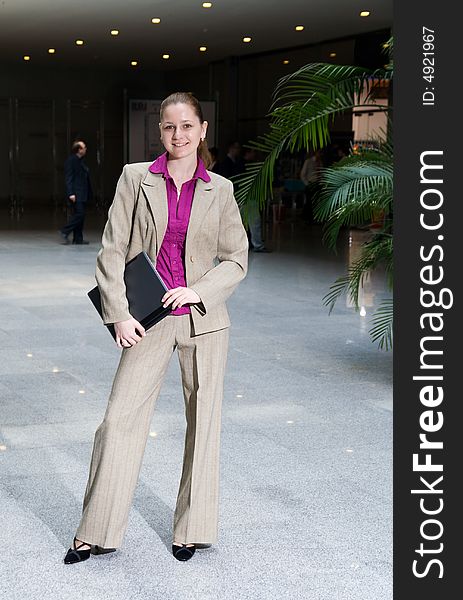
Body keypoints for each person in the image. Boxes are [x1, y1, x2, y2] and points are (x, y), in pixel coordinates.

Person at [64, 91, 249, 564]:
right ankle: (96, 530)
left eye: (187, 126)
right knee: (119, 420)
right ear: (159, 131)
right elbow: (112, 249)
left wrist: (199, 290)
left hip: (205, 323)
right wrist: (119, 312)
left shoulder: (221, 190)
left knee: (203, 425)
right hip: (148, 320)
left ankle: (193, 529)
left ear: (203, 130)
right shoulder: (136, 178)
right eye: (169, 127)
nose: (178, 135)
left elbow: (236, 259)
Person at [60, 140, 92, 244]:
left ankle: (78, 238)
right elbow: (69, 177)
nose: (86, 149)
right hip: (76, 193)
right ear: (79, 150)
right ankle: (65, 231)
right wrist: (71, 193)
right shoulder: (71, 161)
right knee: (79, 214)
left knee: (81, 215)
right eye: (84, 147)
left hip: (82, 193)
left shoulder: (80, 160)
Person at [300, 149, 323, 224]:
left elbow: (321, 174)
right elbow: (303, 174)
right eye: (319, 153)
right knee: (309, 202)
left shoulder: (320, 163)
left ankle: (313, 218)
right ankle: (307, 218)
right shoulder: (308, 162)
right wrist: (307, 183)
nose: (320, 155)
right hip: (310, 183)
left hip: (317, 184)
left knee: (316, 202)